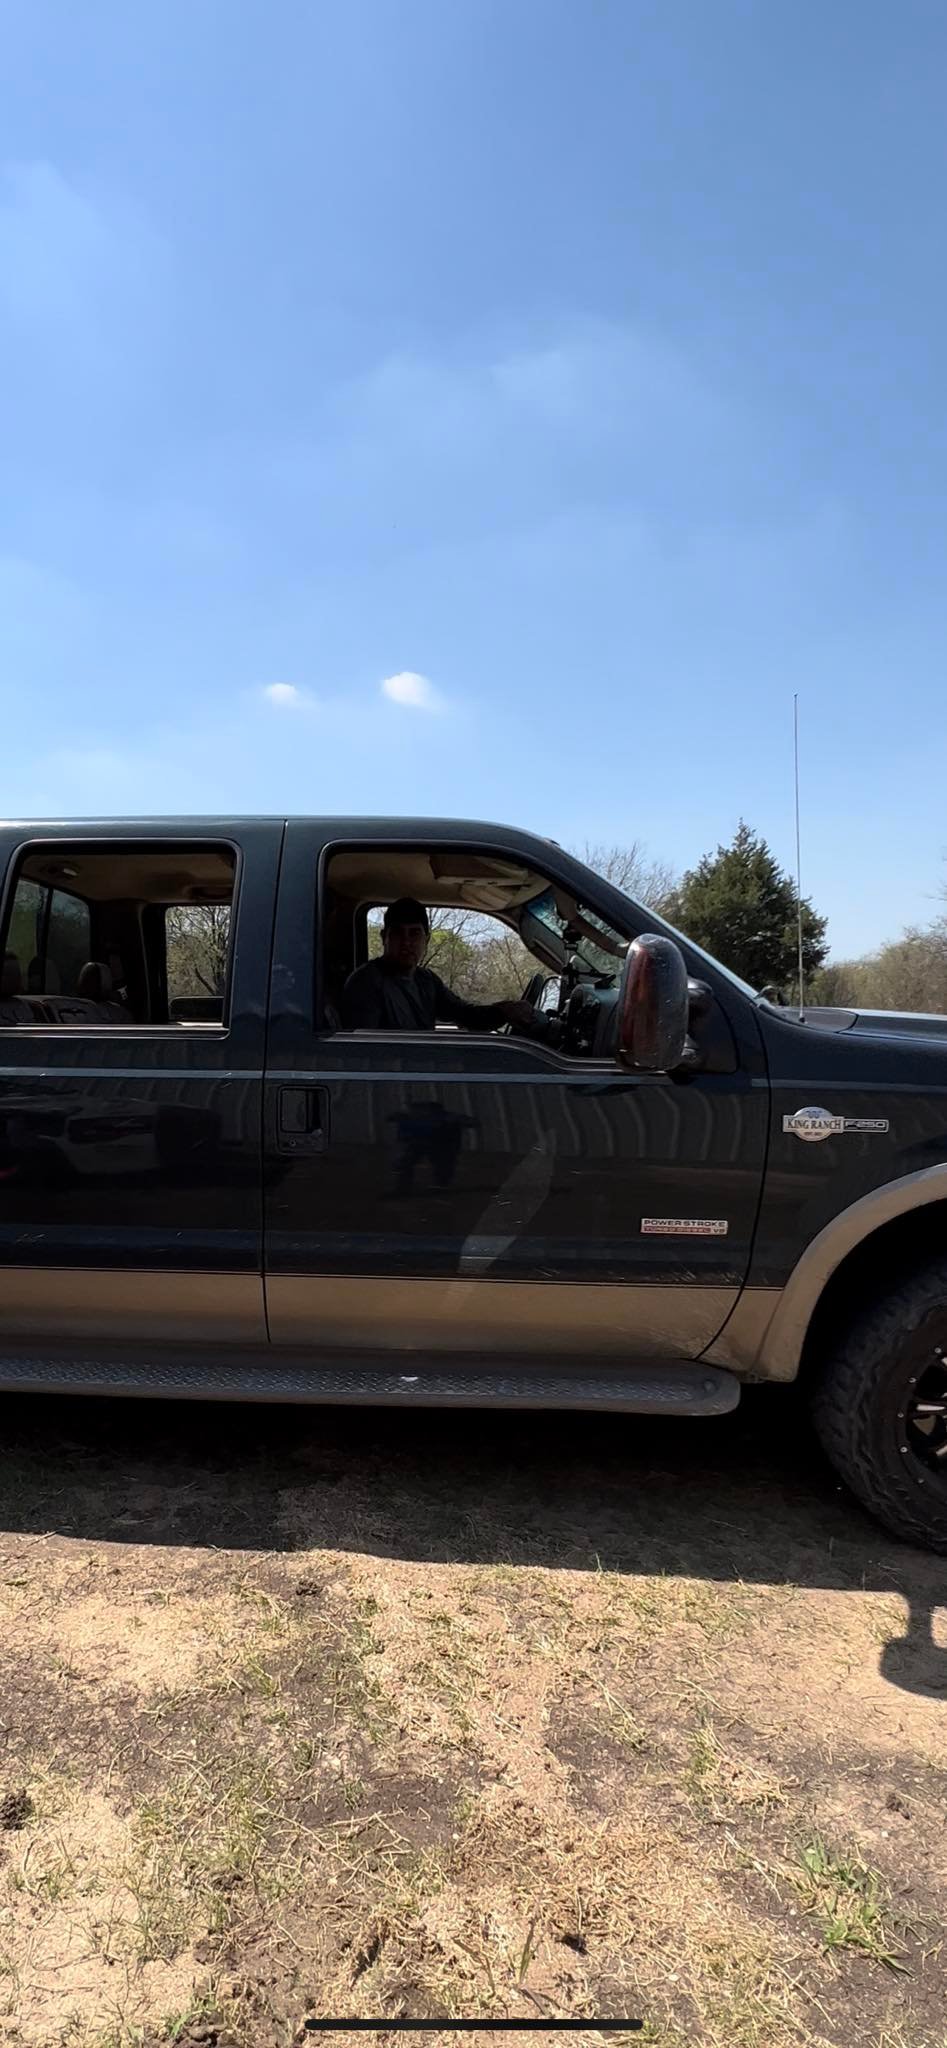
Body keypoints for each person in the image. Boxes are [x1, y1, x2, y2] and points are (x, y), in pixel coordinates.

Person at [340, 897, 540, 1034]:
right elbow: (365, 1052)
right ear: (384, 938)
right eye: (398, 933)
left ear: (426, 939)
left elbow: (467, 1016)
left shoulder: (426, 981)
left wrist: (504, 1011)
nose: (406, 942)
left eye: (414, 933)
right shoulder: (366, 983)